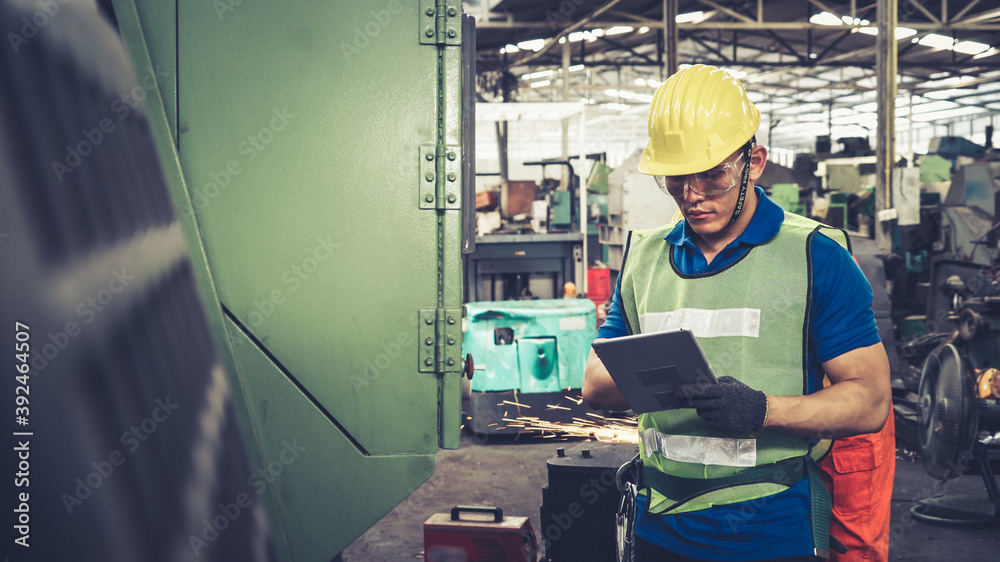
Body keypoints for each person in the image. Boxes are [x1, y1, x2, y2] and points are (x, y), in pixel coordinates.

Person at [582, 64, 893, 561]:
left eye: (713, 175)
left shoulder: (816, 256)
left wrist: (764, 410)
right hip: (658, 523)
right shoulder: (643, 257)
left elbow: (871, 400)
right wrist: (666, 379)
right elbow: (595, 383)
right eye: (676, 179)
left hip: (769, 527)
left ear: (755, 161)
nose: (692, 195)